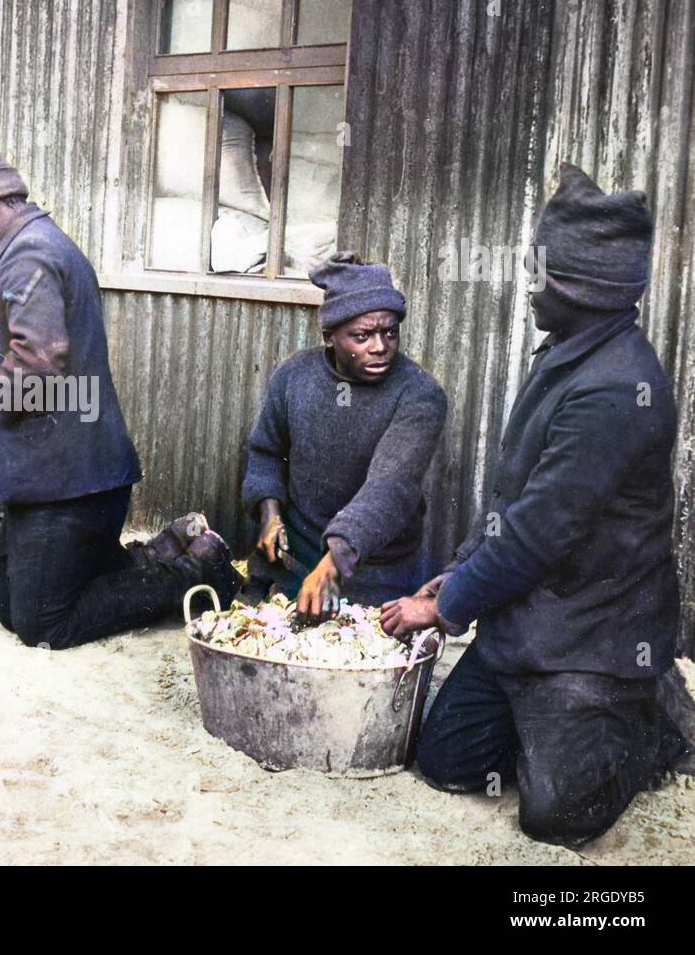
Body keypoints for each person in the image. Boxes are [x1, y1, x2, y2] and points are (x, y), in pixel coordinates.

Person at [381, 164, 689, 848]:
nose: (529, 289)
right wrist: (460, 569)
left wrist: (445, 604)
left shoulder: (615, 390)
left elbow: (536, 536)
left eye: (541, 276)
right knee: (446, 763)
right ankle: (563, 715)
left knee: (555, 818)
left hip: (594, 625)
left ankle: (648, 715)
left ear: (581, 290)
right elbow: (515, 496)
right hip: (535, 612)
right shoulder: (568, 354)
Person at [0, 141, 241, 650]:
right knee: (11, 609)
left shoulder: (29, 255)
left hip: (72, 480)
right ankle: (165, 550)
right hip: (49, 472)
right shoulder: (30, 245)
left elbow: (40, 363)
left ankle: (195, 573)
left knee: (42, 625)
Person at [242, 254, 447, 615]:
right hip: (297, 561)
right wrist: (269, 513)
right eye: (362, 336)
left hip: (373, 571)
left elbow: (390, 486)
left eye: (389, 332)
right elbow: (266, 452)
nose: (380, 346)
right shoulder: (294, 376)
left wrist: (334, 561)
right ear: (329, 336)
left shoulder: (419, 394)